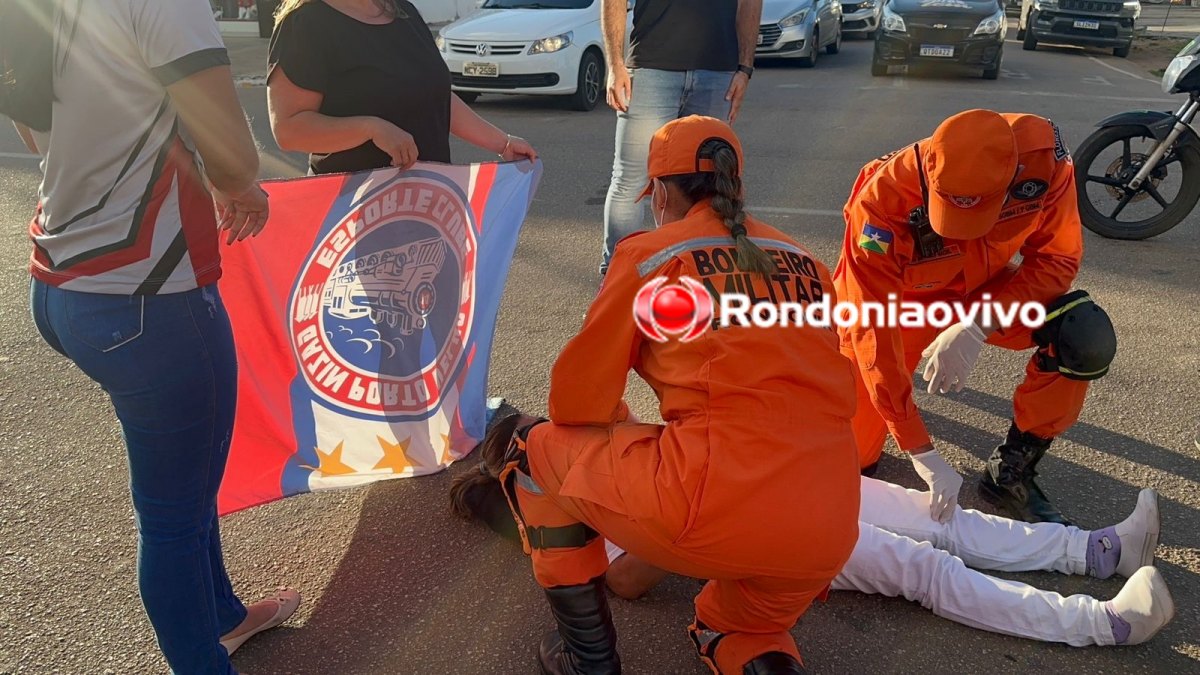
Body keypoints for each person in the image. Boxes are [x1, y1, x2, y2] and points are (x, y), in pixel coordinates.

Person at [450, 115, 862, 675]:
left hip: (708, 501)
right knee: (742, 630)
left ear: (661, 193)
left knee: (532, 449)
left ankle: (588, 659)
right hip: (828, 526)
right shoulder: (808, 263)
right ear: (736, 183)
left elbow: (576, 403)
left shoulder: (652, 255)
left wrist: (622, 433)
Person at [1, 0, 299, 672]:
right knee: (173, 515)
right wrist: (237, 184)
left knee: (186, 488)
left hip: (61, 282)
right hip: (147, 296)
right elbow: (233, 156)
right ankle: (202, 655)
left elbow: (36, 129)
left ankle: (222, 618)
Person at [833, 108, 1118, 526]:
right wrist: (920, 451)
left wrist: (979, 324)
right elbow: (871, 325)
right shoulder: (881, 200)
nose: (961, 231)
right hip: (903, 303)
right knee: (852, 465)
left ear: (1013, 177)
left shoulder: (1043, 161)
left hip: (984, 293)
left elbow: (1056, 259)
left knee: (1081, 333)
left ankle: (1013, 468)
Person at [595, 480, 1175, 649]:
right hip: (761, 531)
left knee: (940, 517)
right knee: (923, 569)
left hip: (785, 471)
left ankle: (1096, 550)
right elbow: (624, 578)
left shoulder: (602, 427)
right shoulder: (572, 500)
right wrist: (695, 512)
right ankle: (1103, 624)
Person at [266, 0, 537, 176]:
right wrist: (371, 129)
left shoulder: (403, 12)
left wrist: (502, 143)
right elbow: (289, 131)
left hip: (427, 203)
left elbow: (434, 96)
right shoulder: (305, 25)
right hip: (351, 216)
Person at [599, 0, 763, 274]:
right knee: (631, 182)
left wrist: (745, 69)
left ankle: (690, 272)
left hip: (718, 72)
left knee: (706, 185)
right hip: (651, 66)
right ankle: (616, 275)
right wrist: (615, 64)